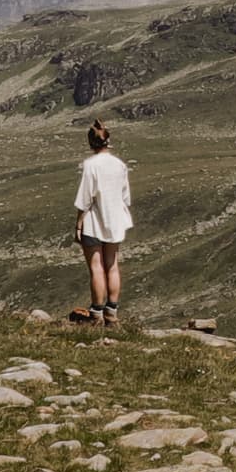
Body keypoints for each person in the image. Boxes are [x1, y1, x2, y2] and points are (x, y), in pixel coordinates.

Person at [70, 123, 131, 325]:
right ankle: (111, 311)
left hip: (94, 220)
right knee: (112, 265)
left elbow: (85, 198)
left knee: (96, 267)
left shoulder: (90, 165)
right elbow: (125, 196)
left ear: (90, 142)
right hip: (115, 219)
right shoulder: (120, 165)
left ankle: (96, 312)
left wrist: (79, 224)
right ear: (108, 141)